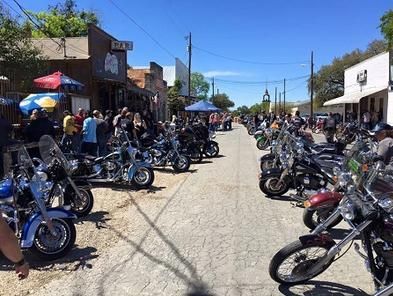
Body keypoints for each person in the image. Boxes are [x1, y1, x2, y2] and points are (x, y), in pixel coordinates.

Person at [0, 113, 13, 178]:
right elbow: (11, 128)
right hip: (4, 143)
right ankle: (4, 174)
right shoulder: (5, 122)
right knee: (4, 159)